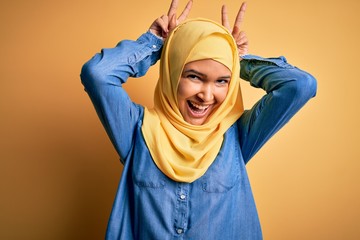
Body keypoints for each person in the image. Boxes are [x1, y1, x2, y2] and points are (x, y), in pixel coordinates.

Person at [80, 0, 317, 239]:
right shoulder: (136, 129)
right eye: (194, 76)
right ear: (173, 72)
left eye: (222, 80)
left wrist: (237, 59)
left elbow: (300, 86)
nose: (206, 95)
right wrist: (154, 44)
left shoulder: (237, 135)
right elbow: (97, 75)